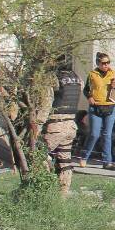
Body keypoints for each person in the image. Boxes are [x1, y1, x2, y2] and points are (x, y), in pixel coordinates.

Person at [42, 56, 83, 194]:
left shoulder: (53, 78)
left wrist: (38, 123)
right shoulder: (77, 78)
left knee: (38, 155)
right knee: (65, 160)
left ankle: (44, 188)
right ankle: (63, 193)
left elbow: (46, 103)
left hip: (55, 125)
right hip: (71, 124)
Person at [78, 52, 115, 170]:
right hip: (96, 107)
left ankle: (107, 161)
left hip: (110, 107)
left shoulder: (113, 74)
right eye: (103, 63)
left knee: (107, 135)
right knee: (94, 134)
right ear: (98, 63)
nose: (106, 65)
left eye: (108, 62)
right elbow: (86, 89)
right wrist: (89, 97)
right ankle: (84, 156)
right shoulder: (92, 74)